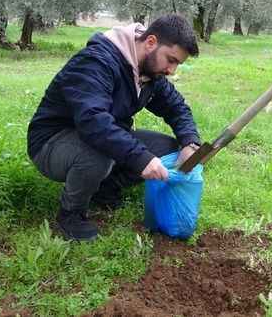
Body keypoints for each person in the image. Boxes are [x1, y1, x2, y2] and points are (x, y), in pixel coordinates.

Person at [27, 14, 202, 242]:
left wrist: (190, 142)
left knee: (169, 148)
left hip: (99, 137)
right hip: (51, 144)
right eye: (170, 60)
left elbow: (176, 107)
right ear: (150, 42)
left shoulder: (149, 73)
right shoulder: (96, 62)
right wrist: (141, 159)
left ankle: (104, 188)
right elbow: (93, 122)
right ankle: (71, 214)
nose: (172, 70)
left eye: (177, 63)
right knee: (99, 154)